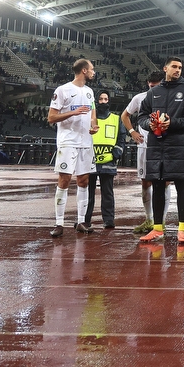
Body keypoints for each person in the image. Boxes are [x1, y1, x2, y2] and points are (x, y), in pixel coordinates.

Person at [138, 56, 184, 244]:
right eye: (174, 66)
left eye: (180, 67)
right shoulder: (153, 92)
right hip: (157, 146)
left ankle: (182, 229)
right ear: (165, 68)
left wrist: (172, 123)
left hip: (179, 145)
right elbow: (141, 116)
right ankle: (157, 228)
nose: (178, 70)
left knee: (182, 185)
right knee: (157, 185)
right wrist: (150, 124)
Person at [47, 59, 99, 238]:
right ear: (84, 70)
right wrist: (73, 112)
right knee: (65, 180)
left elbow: (92, 112)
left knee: (84, 181)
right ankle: (59, 223)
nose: (94, 72)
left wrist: (94, 125)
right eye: (92, 69)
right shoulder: (63, 90)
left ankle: (81, 221)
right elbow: (51, 118)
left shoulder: (89, 91)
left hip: (86, 142)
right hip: (68, 141)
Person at [121, 70, 166, 234]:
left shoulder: (168, 97)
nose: (152, 88)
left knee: (164, 182)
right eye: (150, 86)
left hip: (164, 146)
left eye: (155, 86)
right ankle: (149, 220)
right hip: (145, 145)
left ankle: (162, 222)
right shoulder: (139, 98)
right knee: (146, 182)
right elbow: (125, 115)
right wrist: (132, 131)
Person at [85, 90, 125, 229]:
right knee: (87, 193)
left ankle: (109, 220)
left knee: (107, 193)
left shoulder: (116, 118)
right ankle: (85, 220)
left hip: (108, 161)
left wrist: (117, 152)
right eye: (101, 99)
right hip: (90, 160)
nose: (103, 102)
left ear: (109, 101)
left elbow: (121, 138)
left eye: (106, 99)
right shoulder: (89, 119)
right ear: (97, 101)